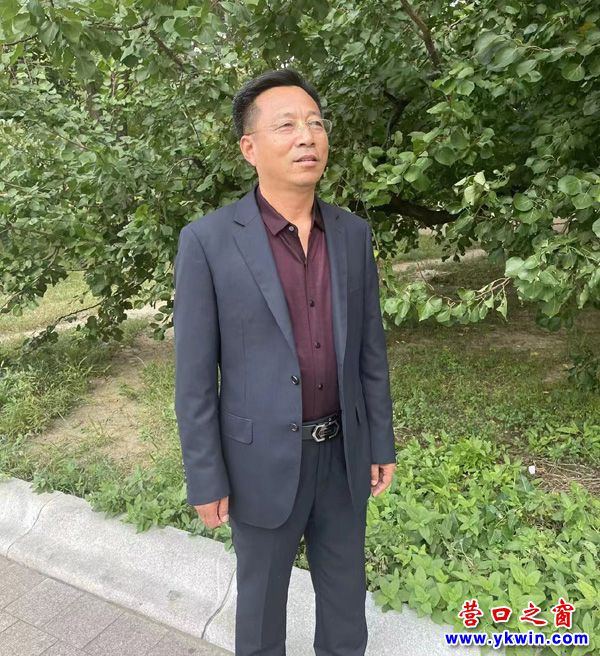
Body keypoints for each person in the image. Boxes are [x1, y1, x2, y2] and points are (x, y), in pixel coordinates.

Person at [173, 68, 397, 656]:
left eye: (315, 123)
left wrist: (380, 442)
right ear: (249, 148)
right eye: (287, 125)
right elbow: (194, 380)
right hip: (259, 463)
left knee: (346, 605)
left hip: (342, 456)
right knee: (261, 610)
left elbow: (370, 351)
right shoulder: (208, 242)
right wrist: (206, 475)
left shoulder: (351, 234)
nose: (306, 136)